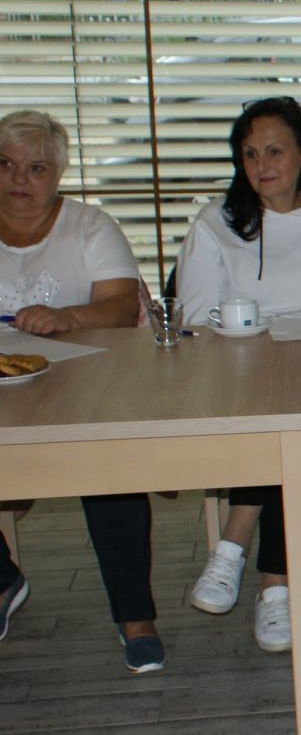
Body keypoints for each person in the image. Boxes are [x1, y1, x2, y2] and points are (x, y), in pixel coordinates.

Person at [178, 97, 301, 653]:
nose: (262, 165)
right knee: (279, 413)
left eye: (275, 151)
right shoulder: (215, 222)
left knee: (294, 411)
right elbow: (193, 314)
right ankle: (275, 585)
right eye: (250, 154)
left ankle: (234, 546)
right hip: (234, 367)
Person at [0, 109, 164, 673]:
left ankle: (136, 619)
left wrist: (66, 317)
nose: (19, 179)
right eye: (5, 164)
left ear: (59, 174)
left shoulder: (92, 226)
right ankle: (3, 578)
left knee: (107, 465)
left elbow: (120, 307)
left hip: (85, 381)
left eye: (36, 168)